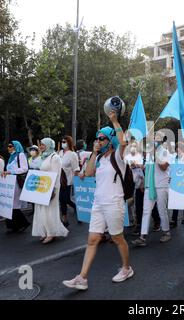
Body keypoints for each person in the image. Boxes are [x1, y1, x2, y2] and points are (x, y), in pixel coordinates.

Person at [63, 111, 133, 290]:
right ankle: (82, 278)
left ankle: (126, 268)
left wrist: (115, 121)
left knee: (117, 238)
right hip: (98, 203)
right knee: (93, 239)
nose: (98, 141)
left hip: (114, 202)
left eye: (102, 138)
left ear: (110, 140)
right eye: (97, 138)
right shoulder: (100, 157)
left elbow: (123, 141)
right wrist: (94, 153)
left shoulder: (118, 155)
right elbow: (87, 173)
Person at [131, 132, 172, 247]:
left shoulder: (165, 152)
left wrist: (155, 154)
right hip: (149, 186)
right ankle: (142, 237)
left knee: (161, 210)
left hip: (161, 185)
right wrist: (138, 167)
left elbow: (163, 167)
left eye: (157, 137)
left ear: (162, 140)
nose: (154, 139)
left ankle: (166, 232)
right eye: (154, 137)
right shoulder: (149, 154)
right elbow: (147, 169)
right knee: (146, 211)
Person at [32, 138, 69, 244]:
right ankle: (45, 231)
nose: (41, 146)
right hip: (43, 187)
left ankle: (51, 233)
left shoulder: (55, 157)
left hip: (51, 188)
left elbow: (56, 175)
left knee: (50, 211)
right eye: (41, 145)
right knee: (42, 210)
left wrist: (51, 189)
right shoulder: (43, 156)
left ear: (48, 145)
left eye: (43, 145)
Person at [3, 141, 30, 233]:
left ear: (16, 147)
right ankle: (13, 226)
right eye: (8, 146)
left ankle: (23, 223)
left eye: (10, 146)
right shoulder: (11, 157)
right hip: (9, 183)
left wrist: (11, 172)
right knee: (10, 204)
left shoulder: (20, 155)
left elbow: (25, 168)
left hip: (16, 182)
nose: (8, 148)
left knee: (14, 204)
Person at [58, 136, 79, 227]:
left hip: (68, 181)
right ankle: (64, 219)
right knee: (61, 200)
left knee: (66, 199)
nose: (63, 143)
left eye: (64, 141)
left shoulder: (72, 154)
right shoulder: (60, 153)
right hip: (59, 180)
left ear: (69, 143)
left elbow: (76, 169)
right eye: (62, 141)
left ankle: (77, 209)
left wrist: (76, 181)